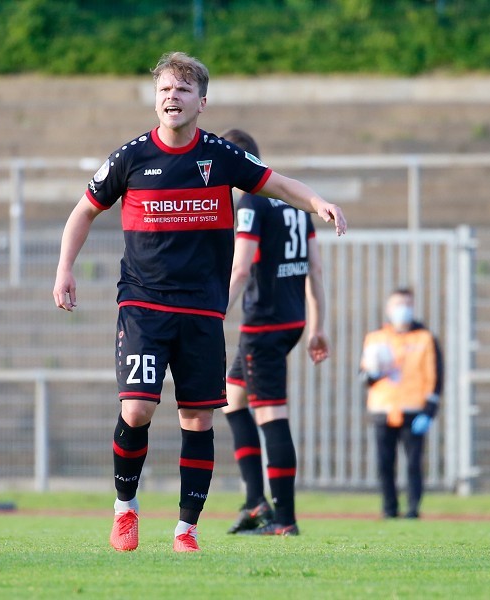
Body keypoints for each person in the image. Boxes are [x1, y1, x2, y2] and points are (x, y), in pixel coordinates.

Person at [52, 51, 347, 553]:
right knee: (139, 408)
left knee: (199, 419)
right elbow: (83, 212)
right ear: (155, 100)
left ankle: (186, 530)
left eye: (183, 90)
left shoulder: (220, 156)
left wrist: (317, 201)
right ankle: (125, 510)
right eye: (165, 89)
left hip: (202, 309)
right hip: (143, 305)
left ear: (201, 102)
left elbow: (276, 182)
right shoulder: (129, 158)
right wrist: (64, 269)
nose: (173, 96)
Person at [220, 129, 328, 537]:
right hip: (293, 320)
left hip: (263, 323)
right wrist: (318, 327)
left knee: (271, 416)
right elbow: (314, 269)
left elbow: (242, 268)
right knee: (233, 400)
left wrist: (216, 315)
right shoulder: (294, 202)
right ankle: (255, 503)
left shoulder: (252, 200)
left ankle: (284, 519)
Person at [360, 288, 443, 519]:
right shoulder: (376, 338)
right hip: (383, 408)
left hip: (413, 409)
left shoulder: (425, 338)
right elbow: (364, 375)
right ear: (388, 309)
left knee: (414, 463)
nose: (402, 309)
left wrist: (429, 410)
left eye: (406, 304)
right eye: (397, 304)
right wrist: (375, 372)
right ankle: (389, 508)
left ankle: (414, 508)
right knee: (385, 463)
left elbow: (435, 376)